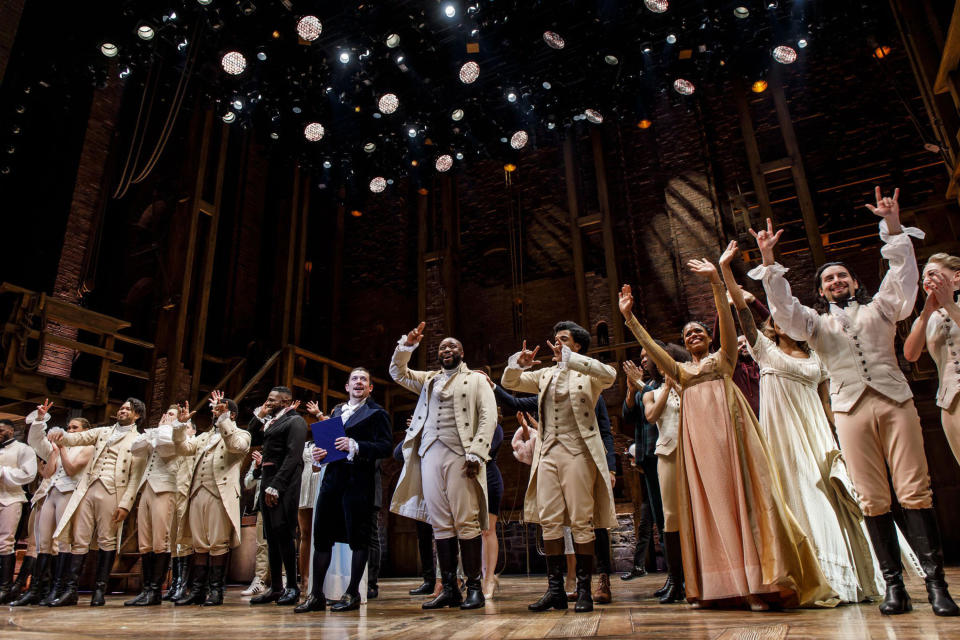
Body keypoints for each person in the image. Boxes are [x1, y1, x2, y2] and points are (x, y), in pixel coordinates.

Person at [748, 187, 959, 617]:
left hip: (894, 401)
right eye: (828, 280)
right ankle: (893, 586)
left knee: (915, 490)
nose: (836, 282)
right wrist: (769, 263)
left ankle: (937, 586)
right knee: (871, 497)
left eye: (842, 276)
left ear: (855, 281)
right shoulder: (814, 323)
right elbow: (784, 311)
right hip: (849, 409)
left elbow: (902, 280)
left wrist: (894, 227)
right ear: (821, 291)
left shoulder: (880, 308)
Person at [619, 264, 832, 611]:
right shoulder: (681, 372)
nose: (693, 336)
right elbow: (652, 350)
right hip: (699, 448)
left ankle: (754, 584)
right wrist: (630, 319)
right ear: (683, 345)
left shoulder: (725, 358)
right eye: (687, 334)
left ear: (708, 336)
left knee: (741, 506)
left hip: (731, 440)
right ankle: (718, 586)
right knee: (708, 510)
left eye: (698, 331)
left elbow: (727, 322)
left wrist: (717, 282)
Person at [721, 240, 881, 603]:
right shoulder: (764, 350)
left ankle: (850, 573)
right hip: (785, 432)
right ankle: (812, 574)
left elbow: (827, 400)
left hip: (817, 430)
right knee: (802, 491)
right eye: (775, 320)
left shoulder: (818, 355)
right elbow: (743, 313)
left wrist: (838, 438)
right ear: (773, 328)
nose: (782, 321)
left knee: (830, 491)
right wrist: (726, 271)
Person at [502, 321, 617, 613]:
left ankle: (584, 591)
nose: (556, 344)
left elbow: (611, 374)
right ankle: (554, 590)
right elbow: (510, 383)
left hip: (577, 451)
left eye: (564, 340)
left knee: (581, 520)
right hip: (548, 453)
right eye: (555, 340)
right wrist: (519, 364)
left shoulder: (588, 374)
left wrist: (571, 358)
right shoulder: (545, 375)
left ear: (577, 345)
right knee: (550, 519)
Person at [389, 322, 498, 611]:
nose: (446, 350)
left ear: (462, 353)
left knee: (466, 519)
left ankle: (473, 586)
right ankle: (449, 587)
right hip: (429, 453)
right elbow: (397, 372)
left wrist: (476, 453)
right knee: (440, 522)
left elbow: (489, 418)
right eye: (441, 348)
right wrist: (407, 346)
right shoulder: (428, 380)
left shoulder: (476, 380)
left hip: (461, 454)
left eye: (452, 346)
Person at [296, 368, 392, 613]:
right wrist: (320, 454)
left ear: (370, 388)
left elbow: (385, 447)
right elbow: (330, 446)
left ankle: (352, 593)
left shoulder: (377, 413)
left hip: (358, 482)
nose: (359, 382)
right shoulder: (337, 412)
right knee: (322, 537)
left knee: (358, 539)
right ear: (347, 387)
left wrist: (356, 445)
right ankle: (316, 595)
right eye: (354, 379)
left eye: (364, 380)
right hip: (332, 481)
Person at [48, 398, 148, 607]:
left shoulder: (139, 440)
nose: (122, 411)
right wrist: (61, 435)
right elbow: (78, 438)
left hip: (113, 490)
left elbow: (135, 477)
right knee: (79, 538)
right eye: (121, 408)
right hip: (89, 487)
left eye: (127, 409)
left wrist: (126, 505)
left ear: (136, 415)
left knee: (107, 539)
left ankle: (99, 590)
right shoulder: (103, 432)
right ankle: (71, 589)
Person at [172, 392, 251, 606]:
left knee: (218, 542)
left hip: (220, 494)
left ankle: (216, 590)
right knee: (199, 544)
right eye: (215, 410)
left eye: (221, 410)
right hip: (197, 492)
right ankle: (197, 590)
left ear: (232, 415)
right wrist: (180, 427)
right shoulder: (204, 437)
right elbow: (183, 448)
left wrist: (224, 420)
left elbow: (236, 446)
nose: (216, 413)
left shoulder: (241, 434)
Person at [13, 402, 93, 606]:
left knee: (63, 542)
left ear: (85, 431)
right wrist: (41, 421)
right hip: (51, 492)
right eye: (69, 427)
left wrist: (63, 450)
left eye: (75, 428)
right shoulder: (58, 446)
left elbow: (72, 469)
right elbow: (40, 452)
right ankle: (37, 589)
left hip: (69, 493)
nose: (70, 430)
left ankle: (57, 588)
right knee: (42, 542)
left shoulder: (88, 447)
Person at [247, 386, 307, 606]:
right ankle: (275, 588)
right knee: (270, 536)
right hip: (267, 479)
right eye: (268, 399)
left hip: (284, 483)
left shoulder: (295, 421)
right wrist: (260, 414)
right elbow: (251, 435)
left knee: (284, 533)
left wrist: (277, 485)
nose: (268, 402)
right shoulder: (270, 421)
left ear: (286, 402)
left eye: (272, 400)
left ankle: (292, 586)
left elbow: (293, 455)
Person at [904, 252, 960, 469]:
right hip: (950, 400)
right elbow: (911, 354)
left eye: (933, 274)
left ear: (956, 277)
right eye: (924, 278)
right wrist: (926, 312)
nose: (927, 280)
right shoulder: (927, 319)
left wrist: (948, 303)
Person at [125, 405, 184, 606]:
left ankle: (156, 590)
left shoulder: (178, 433)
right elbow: (135, 448)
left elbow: (167, 448)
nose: (167, 416)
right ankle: (147, 588)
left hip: (165, 487)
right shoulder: (159, 432)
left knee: (161, 541)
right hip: (148, 487)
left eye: (172, 414)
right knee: (145, 542)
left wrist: (163, 429)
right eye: (166, 413)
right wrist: (157, 431)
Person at [620, 354, 664, 586]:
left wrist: (638, 384)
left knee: (666, 518)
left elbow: (657, 406)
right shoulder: (640, 388)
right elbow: (628, 415)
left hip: (664, 456)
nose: (643, 360)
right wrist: (630, 388)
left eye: (648, 356)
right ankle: (642, 566)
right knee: (651, 518)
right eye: (640, 358)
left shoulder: (662, 383)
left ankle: (678, 575)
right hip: (647, 460)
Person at [393, 436, 437, 597]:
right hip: (422, 490)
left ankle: (450, 579)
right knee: (424, 537)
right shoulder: (416, 435)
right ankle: (429, 580)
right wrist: (410, 433)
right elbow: (398, 454)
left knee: (445, 536)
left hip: (440, 484)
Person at [0, 417, 38, 603]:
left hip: (11, 498)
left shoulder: (23, 449)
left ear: (10, 430)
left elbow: (28, 474)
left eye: (1, 431)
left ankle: (5, 586)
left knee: (5, 541)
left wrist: (4, 472)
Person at [164, 418, 196, 602]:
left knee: (184, 542)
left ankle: (184, 585)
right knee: (174, 541)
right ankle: (175, 582)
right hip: (174, 494)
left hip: (187, 495)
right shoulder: (178, 447)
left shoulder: (194, 445)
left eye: (188, 428)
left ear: (192, 431)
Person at [241, 449, 270, 597]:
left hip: (279, 504)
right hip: (261, 505)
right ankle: (259, 580)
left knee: (282, 543)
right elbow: (247, 484)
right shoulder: (259, 458)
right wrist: (257, 469)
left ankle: (284, 578)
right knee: (261, 545)